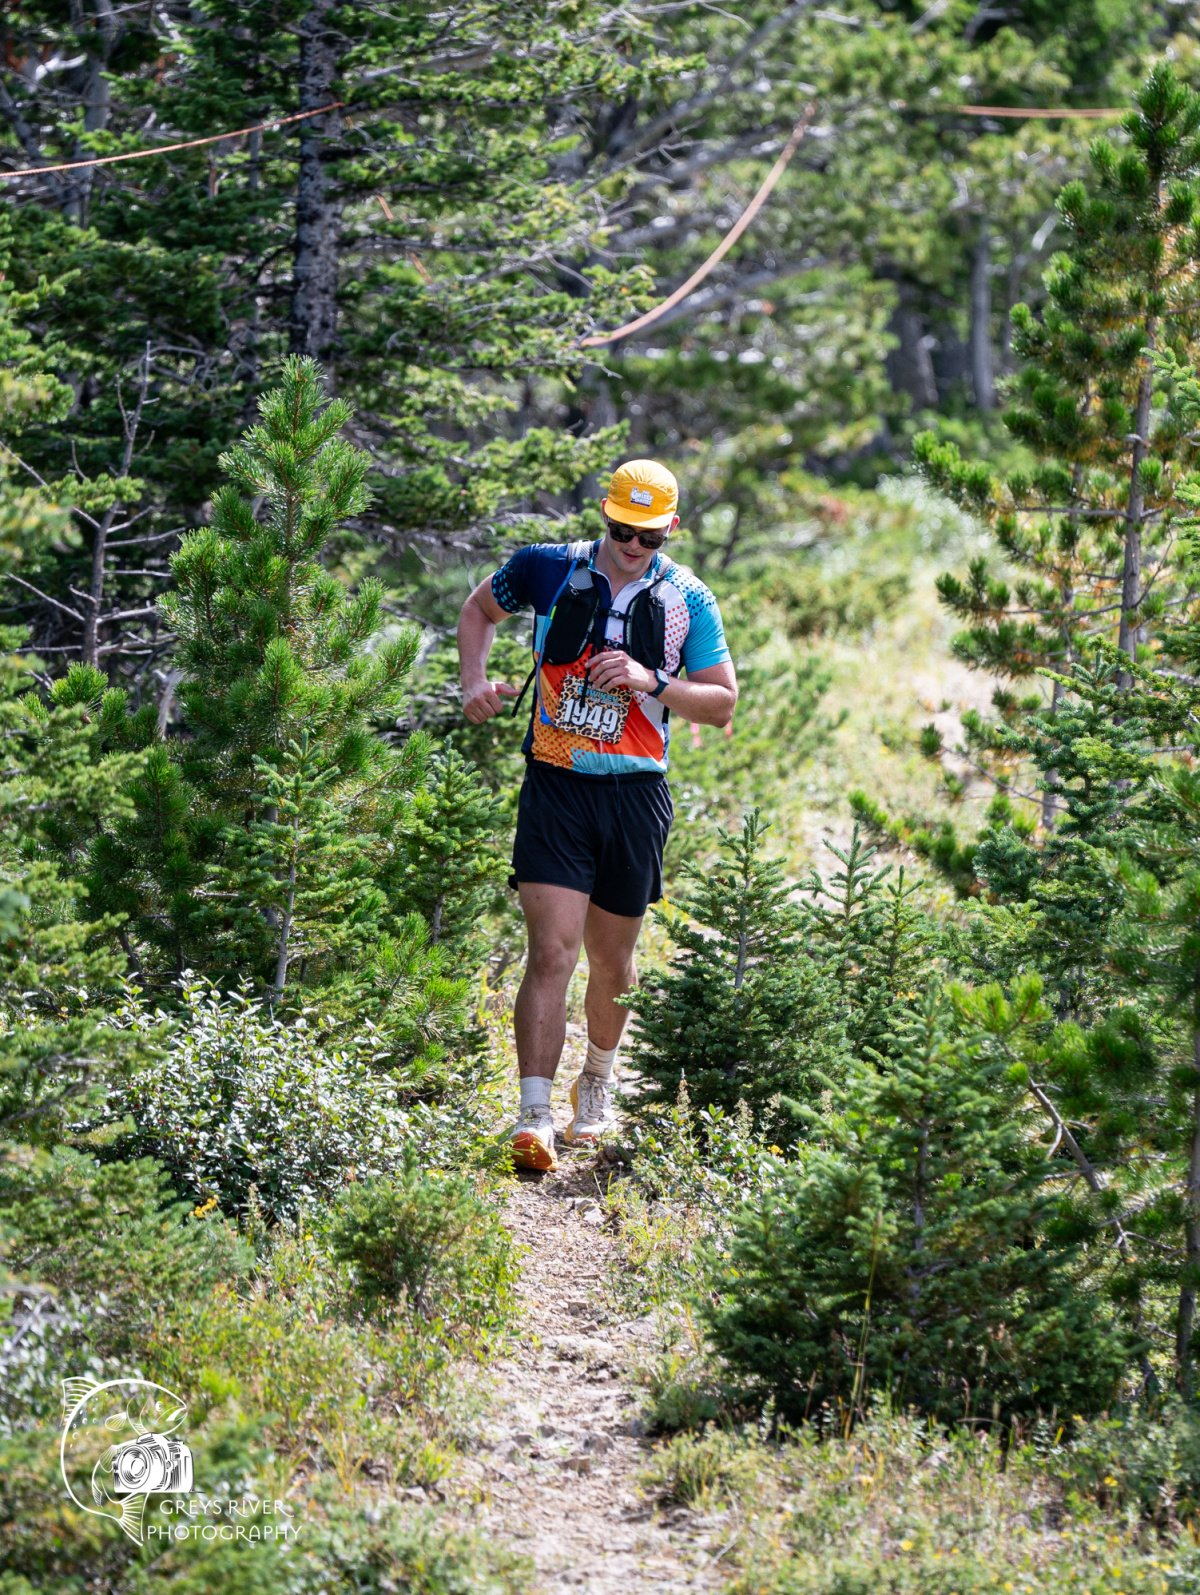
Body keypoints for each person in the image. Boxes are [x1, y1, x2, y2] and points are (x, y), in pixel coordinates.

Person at [457, 459, 738, 1170]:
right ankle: (533, 1115)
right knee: (551, 951)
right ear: (603, 514)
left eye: (648, 535)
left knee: (612, 960)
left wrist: (653, 680)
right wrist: (471, 685)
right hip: (556, 784)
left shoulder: (688, 600)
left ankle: (598, 1086)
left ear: (671, 528)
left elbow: (724, 701)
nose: (632, 545)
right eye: (621, 529)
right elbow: (478, 609)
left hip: (635, 794)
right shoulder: (548, 569)